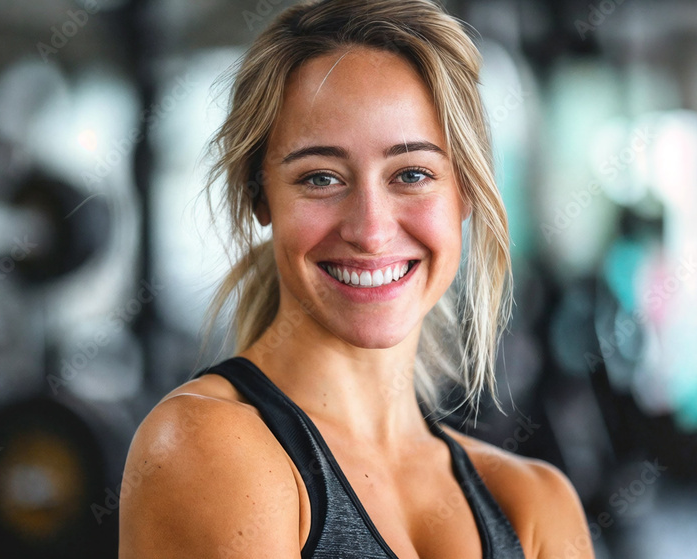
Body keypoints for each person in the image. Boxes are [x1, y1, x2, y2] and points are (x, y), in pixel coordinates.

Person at [119, 0, 594, 557]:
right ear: (259, 196)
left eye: (412, 174)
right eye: (320, 177)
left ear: (464, 192)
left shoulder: (535, 503)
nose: (370, 231)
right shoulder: (206, 447)